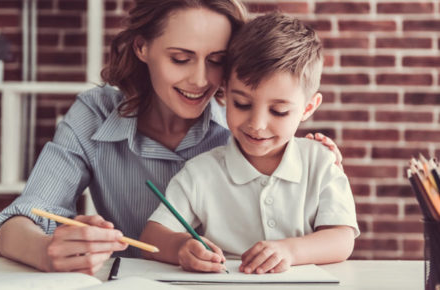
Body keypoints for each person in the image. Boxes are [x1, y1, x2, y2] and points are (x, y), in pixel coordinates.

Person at [0, 0, 341, 275]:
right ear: (142, 47)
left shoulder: (246, 126)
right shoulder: (96, 114)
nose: (200, 80)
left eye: (216, 60)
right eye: (180, 58)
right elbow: (20, 220)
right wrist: (45, 251)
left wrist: (308, 153)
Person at [140, 12, 360, 274]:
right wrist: (181, 247)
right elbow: (151, 237)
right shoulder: (201, 172)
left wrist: (290, 251)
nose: (257, 124)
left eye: (278, 111)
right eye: (242, 104)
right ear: (225, 90)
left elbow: (342, 239)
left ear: (308, 107)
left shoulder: (321, 161)